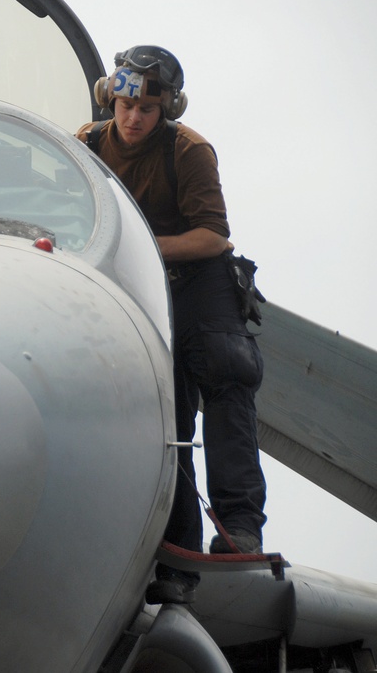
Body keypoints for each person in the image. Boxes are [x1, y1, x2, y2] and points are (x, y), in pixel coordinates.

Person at [77, 46, 266, 605]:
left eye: (147, 109)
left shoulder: (189, 151)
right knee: (165, 405)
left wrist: (142, 243)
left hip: (198, 277)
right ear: (111, 96)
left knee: (226, 374)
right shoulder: (86, 145)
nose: (133, 118)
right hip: (139, 279)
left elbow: (214, 237)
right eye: (125, 104)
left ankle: (238, 526)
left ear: (168, 111)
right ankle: (176, 551)